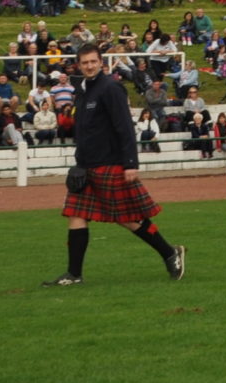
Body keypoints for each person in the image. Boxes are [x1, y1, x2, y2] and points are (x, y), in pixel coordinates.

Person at [44, 42, 186, 287]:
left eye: (93, 61)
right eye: (85, 62)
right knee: (75, 214)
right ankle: (73, 274)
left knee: (127, 217)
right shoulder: (84, 90)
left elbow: (124, 127)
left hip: (110, 163)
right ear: (79, 64)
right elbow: (85, 130)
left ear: (101, 63)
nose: (89, 66)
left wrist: (131, 162)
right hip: (86, 166)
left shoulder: (111, 88)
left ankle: (170, 253)